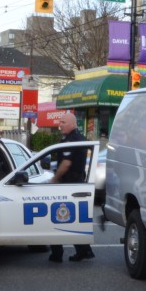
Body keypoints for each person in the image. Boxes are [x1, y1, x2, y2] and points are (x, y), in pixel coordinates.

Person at [48, 112, 95, 263]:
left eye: (63, 122)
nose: (59, 124)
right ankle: (84, 250)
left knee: (57, 218)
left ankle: (57, 254)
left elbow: (66, 164)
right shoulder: (78, 139)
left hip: (67, 185)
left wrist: (54, 179)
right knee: (73, 219)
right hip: (76, 184)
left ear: (72, 124)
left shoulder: (71, 140)